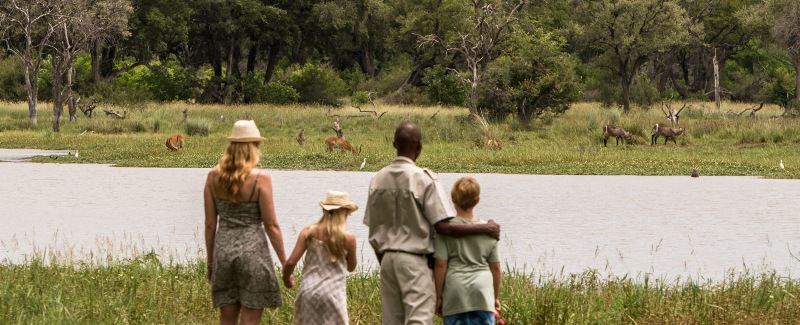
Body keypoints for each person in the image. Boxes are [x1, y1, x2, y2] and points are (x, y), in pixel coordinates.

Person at [363, 122, 500, 325]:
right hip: (415, 260)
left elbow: (372, 230)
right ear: (419, 146)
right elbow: (443, 226)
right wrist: (485, 228)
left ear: (394, 144)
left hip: (387, 260)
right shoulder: (423, 179)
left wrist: (386, 261)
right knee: (419, 320)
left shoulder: (377, 179)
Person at [204, 120, 290, 325]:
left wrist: (211, 263)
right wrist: (285, 264)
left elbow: (209, 225)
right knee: (250, 320)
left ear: (231, 146)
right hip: (254, 253)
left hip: (224, 252)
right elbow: (271, 225)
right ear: (254, 147)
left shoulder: (213, 176)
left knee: (226, 320)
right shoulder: (261, 178)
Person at [282, 190, 358, 325]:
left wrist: (286, 278)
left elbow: (291, 262)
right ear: (345, 213)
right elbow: (351, 267)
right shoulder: (348, 238)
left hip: (308, 291)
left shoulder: (308, 232)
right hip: (333, 294)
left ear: (324, 211)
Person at [434, 177, 501, 325]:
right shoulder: (490, 230)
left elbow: (440, 265)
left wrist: (438, 297)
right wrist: (495, 297)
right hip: (482, 293)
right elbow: (495, 267)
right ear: (477, 199)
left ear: (452, 198)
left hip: (455, 292)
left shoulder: (445, 231)